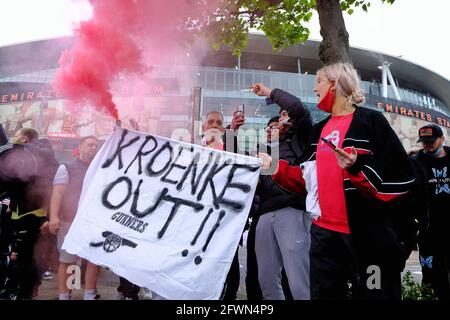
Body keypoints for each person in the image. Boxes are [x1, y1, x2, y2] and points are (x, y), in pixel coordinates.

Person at [259, 62, 415, 300]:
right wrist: (274, 166)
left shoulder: (372, 121)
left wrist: (357, 167)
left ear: (335, 84)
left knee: (375, 292)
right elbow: (306, 181)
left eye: (318, 81)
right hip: (324, 237)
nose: (315, 89)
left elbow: (402, 175)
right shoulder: (317, 131)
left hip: (368, 238)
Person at [250, 83, 313, 300]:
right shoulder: (271, 146)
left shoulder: (304, 137)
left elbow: (297, 107)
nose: (283, 114)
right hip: (266, 213)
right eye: (280, 113)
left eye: (286, 112)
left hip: (292, 208)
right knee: (266, 280)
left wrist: (268, 92)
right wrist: (269, 147)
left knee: (299, 281)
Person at [0, 125, 58, 299]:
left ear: (24, 139)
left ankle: (25, 292)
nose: (14, 140)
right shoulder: (19, 155)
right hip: (20, 212)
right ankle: (14, 289)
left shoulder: (40, 152)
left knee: (27, 258)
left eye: (17, 137)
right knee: (17, 255)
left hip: (34, 214)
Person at [49, 136, 101, 300]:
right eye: (90, 145)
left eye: (96, 146)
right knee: (67, 260)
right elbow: (57, 193)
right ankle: (64, 296)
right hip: (68, 221)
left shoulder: (101, 169)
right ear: (80, 146)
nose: (93, 148)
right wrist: (53, 217)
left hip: (93, 222)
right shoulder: (66, 167)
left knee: (94, 259)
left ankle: (89, 295)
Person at [200, 110, 245, 300]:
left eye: (219, 122)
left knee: (229, 263)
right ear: (203, 128)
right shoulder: (190, 149)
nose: (215, 125)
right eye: (210, 121)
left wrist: (232, 131)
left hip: (226, 220)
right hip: (199, 219)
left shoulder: (232, 149)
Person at [410, 124, 450, 300]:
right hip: (429, 231)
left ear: (442, 139)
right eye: (424, 142)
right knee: (432, 276)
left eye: (431, 141)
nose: (427, 145)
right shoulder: (415, 162)